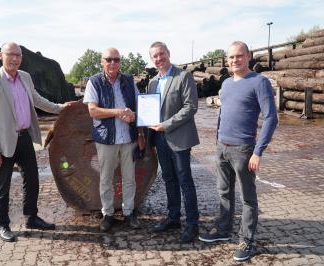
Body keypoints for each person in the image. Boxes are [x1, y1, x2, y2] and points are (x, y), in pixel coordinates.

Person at [0, 42, 75, 242]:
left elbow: (38, 100)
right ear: (1, 56)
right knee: (2, 185)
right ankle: (3, 225)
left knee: (32, 180)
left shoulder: (25, 77)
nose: (14, 59)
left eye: (18, 55)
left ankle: (31, 217)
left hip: (24, 138)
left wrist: (61, 107)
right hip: (3, 142)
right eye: (10, 54)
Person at [198, 41, 278, 261]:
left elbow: (271, 118)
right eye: (231, 57)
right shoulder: (226, 83)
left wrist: (258, 151)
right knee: (224, 192)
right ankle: (223, 230)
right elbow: (223, 114)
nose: (235, 60)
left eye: (239, 56)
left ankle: (247, 240)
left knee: (248, 198)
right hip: (222, 147)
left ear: (248, 56)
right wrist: (217, 141)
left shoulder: (259, 82)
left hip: (244, 150)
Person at [83, 47, 143, 232]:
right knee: (106, 178)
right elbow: (92, 111)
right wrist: (118, 112)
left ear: (120, 62)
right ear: (102, 62)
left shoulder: (128, 80)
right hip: (106, 138)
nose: (112, 63)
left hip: (128, 137)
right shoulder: (94, 82)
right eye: (108, 59)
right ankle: (108, 213)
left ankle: (129, 213)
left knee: (129, 178)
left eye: (116, 59)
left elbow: (141, 105)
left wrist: (136, 120)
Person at [148, 41, 200, 243]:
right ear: (152, 59)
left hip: (178, 137)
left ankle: (192, 224)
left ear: (168, 53)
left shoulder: (183, 76)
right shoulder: (152, 82)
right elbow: (150, 110)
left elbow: (190, 107)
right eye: (155, 56)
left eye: (161, 54)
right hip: (159, 138)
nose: (159, 58)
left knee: (184, 180)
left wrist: (166, 125)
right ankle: (173, 218)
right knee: (169, 179)